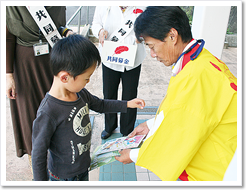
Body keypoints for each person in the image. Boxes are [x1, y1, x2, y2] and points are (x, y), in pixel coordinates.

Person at [115, 6, 237, 181]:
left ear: (172, 36)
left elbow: (180, 133)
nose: (152, 54)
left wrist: (135, 155)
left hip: (219, 168)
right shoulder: (199, 60)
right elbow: (180, 107)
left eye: (152, 46)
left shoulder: (197, 75)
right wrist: (152, 124)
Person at [31, 34, 145, 181]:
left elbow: (101, 104)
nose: (88, 81)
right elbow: (38, 155)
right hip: (63, 177)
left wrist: (127, 104)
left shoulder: (80, 94)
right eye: (86, 78)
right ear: (65, 77)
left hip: (83, 168)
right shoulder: (48, 112)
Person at [6, 6, 73, 158]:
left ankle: (60, 153)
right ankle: (36, 159)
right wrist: (8, 75)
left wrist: (67, 32)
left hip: (55, 59)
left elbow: (59, 26)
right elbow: (8, 37)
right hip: (25, 66)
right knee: (31, 113)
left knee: (59, 108)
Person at [91, 6, 147, 139]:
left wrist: (143, 36)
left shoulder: (143, 5)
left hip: (133, 58)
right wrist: (99, 31)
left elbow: (149, 24)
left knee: (130, 95)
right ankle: (109, 126)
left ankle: (127, 129)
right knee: (109, 93)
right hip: (110, 57)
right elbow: (96, 23)